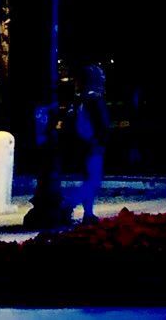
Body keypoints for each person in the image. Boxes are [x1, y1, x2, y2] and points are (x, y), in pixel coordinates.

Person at [75, 64, 111, 222]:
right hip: (93, 145)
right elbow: (102, 124)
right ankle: (69, 205)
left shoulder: (81, 99)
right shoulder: (95, 99)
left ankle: (87, 213)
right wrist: (101, 140)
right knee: (93, 180)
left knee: (88, 179)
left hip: (83, 143)